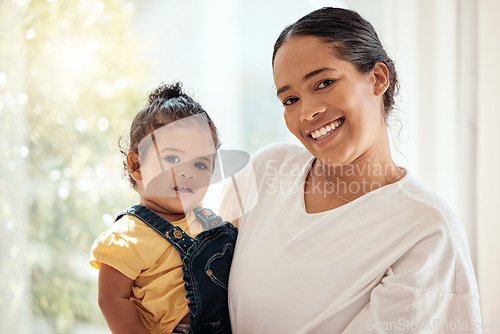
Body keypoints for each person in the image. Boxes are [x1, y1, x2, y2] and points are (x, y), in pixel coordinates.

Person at [223, 7, 482, 334]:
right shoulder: (266, 169)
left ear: (377, 78)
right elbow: (181, 266)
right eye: (290, 100)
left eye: (324, 83)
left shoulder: (426, 230)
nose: (307, 113)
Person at [89, 82, 237, 334]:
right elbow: (110, 300)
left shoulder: (209, 222)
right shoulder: (127, 236)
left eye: (200, 165)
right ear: (136, 166)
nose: (187, 172)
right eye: (172, 158)